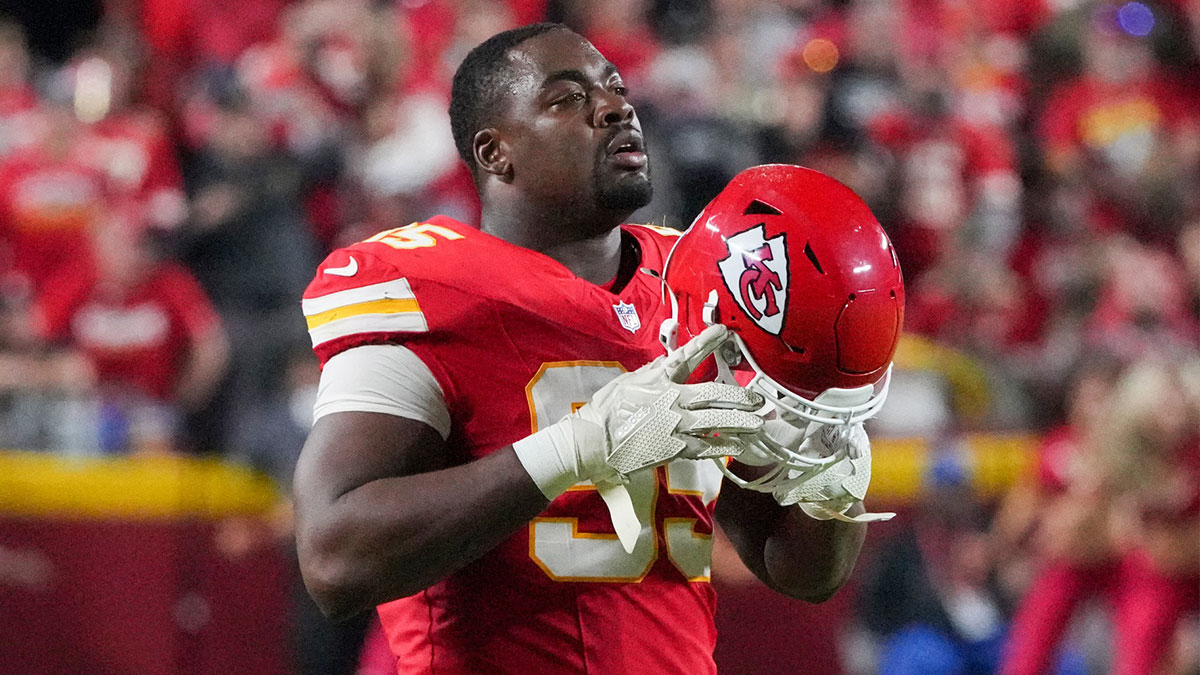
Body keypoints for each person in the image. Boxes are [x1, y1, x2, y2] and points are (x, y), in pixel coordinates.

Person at [294, 23, 881, 673]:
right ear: (495, 152)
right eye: (566, 97)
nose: (614, 107)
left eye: (615, 88)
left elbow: (792, 565)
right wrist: (574, 449)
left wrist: (830, 483)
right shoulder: (425, 286)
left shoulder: (696, 286)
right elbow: (333, 557)